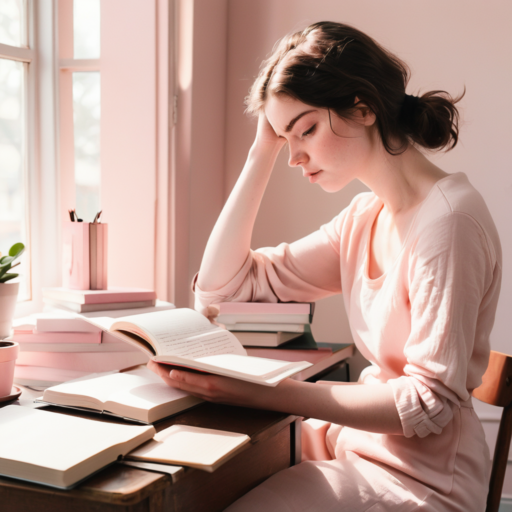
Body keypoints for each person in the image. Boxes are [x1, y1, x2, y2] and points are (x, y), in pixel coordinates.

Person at [148, 21, 502, 511]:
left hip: (426, 484)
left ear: (362, 107)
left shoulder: (450, 221)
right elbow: (220, 292)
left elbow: (428, 405)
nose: (295, 155)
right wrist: (260, 153)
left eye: (306, 130)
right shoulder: (365, 217)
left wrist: (268, 394)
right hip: (357, 451)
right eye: (283, 137)